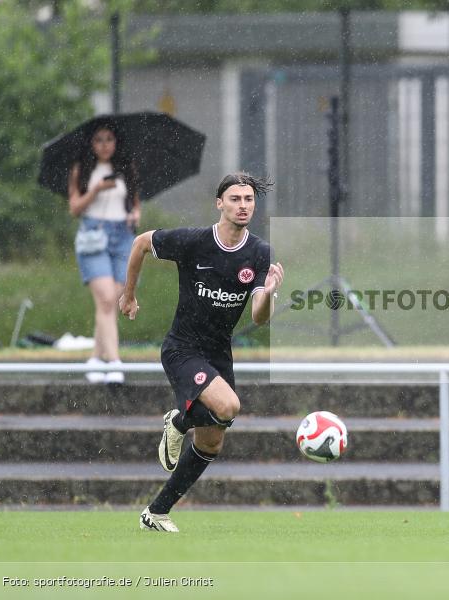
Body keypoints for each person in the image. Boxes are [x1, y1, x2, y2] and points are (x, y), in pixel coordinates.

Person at [118, 172, 284, 533]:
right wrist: (129, 293)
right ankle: (178, 421)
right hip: (182, 348)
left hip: (218, 353)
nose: (243, 206)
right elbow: (140, 243)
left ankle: (156, 513)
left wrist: (268, 293)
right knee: (229, 406)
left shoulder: (259, 252)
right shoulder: (194, 241)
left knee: (212, 439)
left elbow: (258, 316)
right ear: (219, 203)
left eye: (249, 200)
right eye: (236, 199)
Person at [68, 123, 141, 383]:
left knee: (114, 300)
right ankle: (114, 362)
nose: (104, 144)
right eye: (98, 139)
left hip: (123, 237)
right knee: (106, 299)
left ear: (116, 142)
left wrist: (135, 215)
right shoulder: (83, 170)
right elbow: (75, 208)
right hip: (93, 236)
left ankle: (96, 358)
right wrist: (96, 190)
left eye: (109, 139)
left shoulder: (126, 169)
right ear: (91, 143)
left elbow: (134, 204)